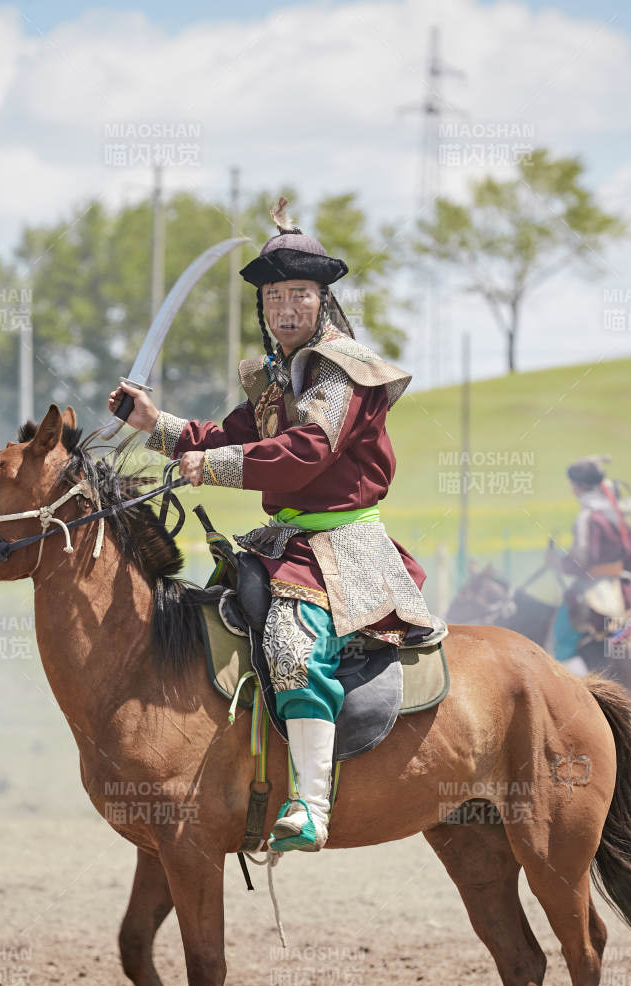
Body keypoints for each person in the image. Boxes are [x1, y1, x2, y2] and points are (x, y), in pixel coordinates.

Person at [107, 199, 442, 853]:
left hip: (342, 545)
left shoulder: (343, 370)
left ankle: (310, 807)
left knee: (293, 645)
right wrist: (156, 425)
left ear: (323, 299)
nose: (285, 308)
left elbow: (307, 451)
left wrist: (212, 467)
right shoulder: (273, 378)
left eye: (299, 295)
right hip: (284, 542)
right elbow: (229, 436)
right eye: (274, 298)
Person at [550, 456, 631, 676]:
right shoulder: (623, 514)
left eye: (573, 485)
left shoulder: (588, 517)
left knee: (560, 638)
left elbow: (581, 560)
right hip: (626, 589)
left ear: (579, 486)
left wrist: (557, 563)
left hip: (594, 593)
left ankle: (575, 687)